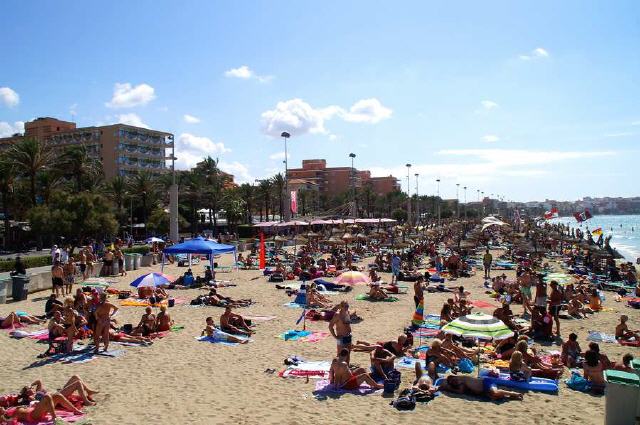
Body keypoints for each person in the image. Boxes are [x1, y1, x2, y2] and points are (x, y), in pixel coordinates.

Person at [0, 394, 83, 423]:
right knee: (47, 397)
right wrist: (4, 418)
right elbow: (11, 421)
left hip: (34, 410)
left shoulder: (8, 409)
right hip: (31, 415)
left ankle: (75, 410)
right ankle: (55, 418)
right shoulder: (6, 416)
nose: (0, 407)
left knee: (58, 396)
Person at [439, 374, 523, 401]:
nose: (454, 381)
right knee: (494, 397)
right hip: (484, 389)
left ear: (455, 376)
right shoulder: (460, 383)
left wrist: (446, 387)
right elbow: (460, 390)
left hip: (486, 382)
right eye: (453, 382)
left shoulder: (461, 379)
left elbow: (459, 391)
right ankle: (510, 396)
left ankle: (514, 393)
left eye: (454, 379)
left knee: (495, 393)